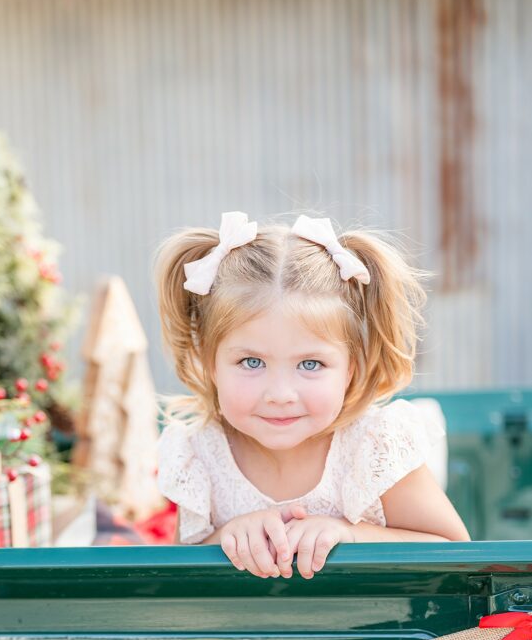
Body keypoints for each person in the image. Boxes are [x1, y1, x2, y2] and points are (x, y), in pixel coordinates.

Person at [154, 211, 470, 579]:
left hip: (385, 631)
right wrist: (227, 537)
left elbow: (451, 551)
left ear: (350, 368)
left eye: (310, 364)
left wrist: (350, 534)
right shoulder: (200, 452)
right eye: (251, 361)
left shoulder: (374, 446)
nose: (280, 394)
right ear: (211, 364)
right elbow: (179, 575)